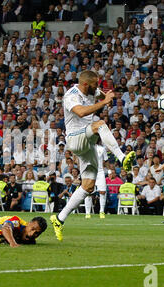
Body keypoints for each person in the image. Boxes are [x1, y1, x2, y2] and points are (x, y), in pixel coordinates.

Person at [50, 70, 136, 241]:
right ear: (85, 85)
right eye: (95, 84)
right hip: (75, 139)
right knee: (100, 124)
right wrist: (104, 101)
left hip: (87, 143)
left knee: (88, 186)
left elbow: (102, 93)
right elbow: (81, 112)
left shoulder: (92, 90)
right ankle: (122, 157)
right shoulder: (71, 96)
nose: (98, 87)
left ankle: (59, 219)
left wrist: (108, 95)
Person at [84, 143, 107, 219]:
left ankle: (102, 211)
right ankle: (87, 213)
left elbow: (105, 160)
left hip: (100, 171)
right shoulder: (87, 148)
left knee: (102, 192)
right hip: (90, 171)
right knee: (88, 192)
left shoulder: (102, 149)